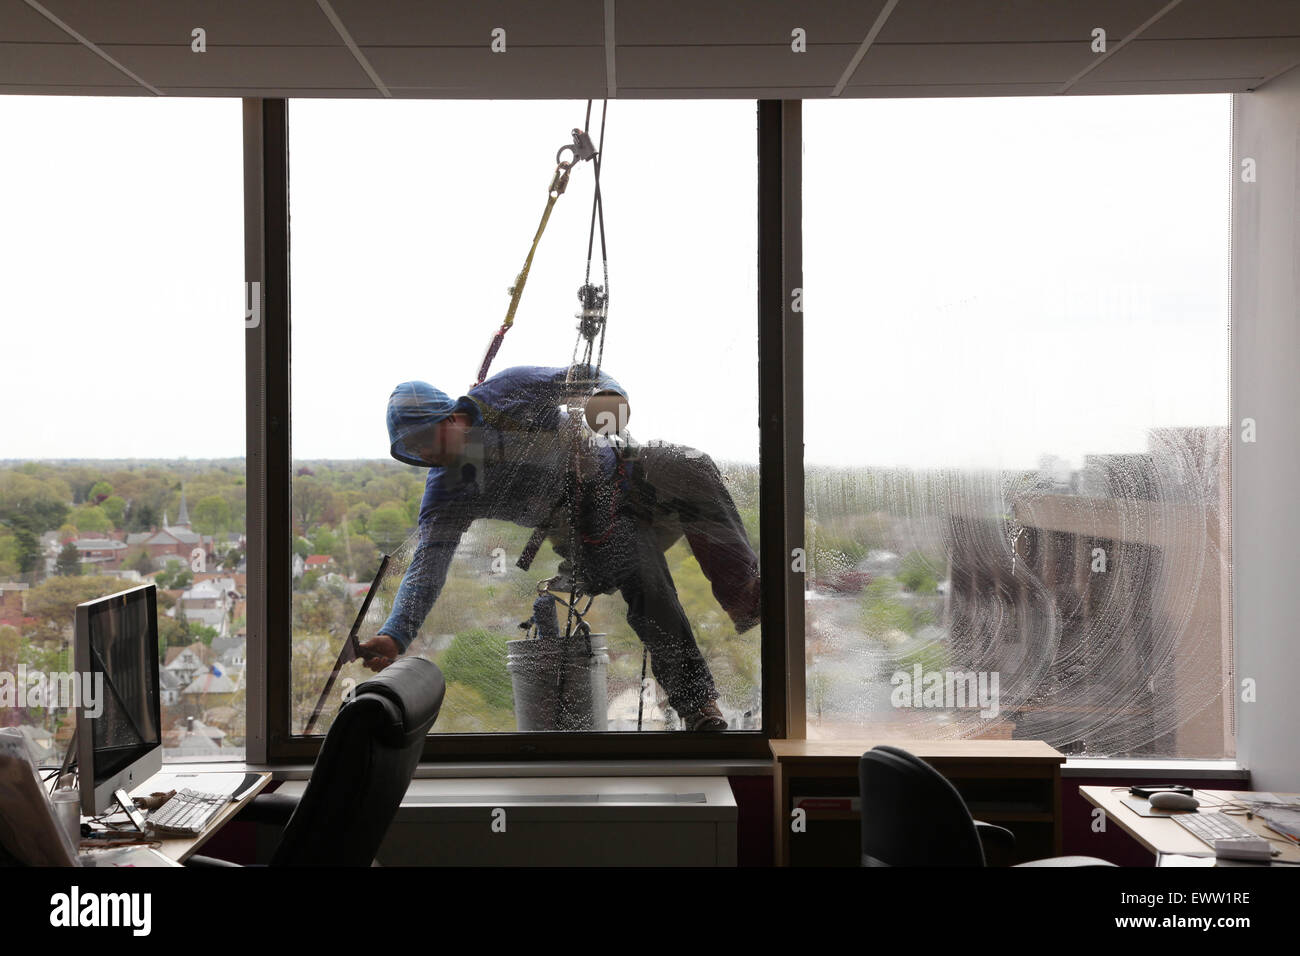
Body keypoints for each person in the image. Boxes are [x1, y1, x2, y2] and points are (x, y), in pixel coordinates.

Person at [357, 364, 761, 731]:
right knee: (641, 573)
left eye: (425, 438)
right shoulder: (449, 488)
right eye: (415, 451)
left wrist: (607, 403)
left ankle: (747, 595)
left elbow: (584, 375)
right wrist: (395, 635)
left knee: (691, 465)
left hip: (628, 474)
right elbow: (428, 565)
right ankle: (699, 708)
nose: (427, 454)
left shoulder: (508, 391)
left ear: (452, 416)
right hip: (593, 530)